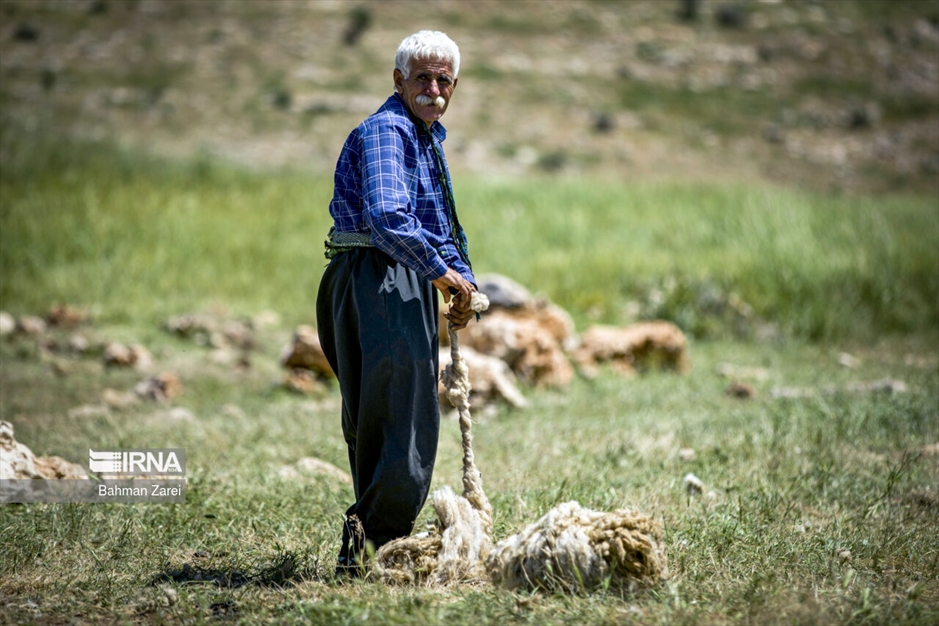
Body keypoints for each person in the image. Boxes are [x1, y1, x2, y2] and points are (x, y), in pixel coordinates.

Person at [316, 30, 477, 578]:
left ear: (454, 86)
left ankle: (367, 550)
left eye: (443, 79)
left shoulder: (425, 138)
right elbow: (388, 219)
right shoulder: (389, 132)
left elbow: (440, 229)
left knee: (379, 420)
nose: (433, 88)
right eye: (423, 78)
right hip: (381, 278)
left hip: (389, 279)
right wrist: (440, 274)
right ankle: (374, 548)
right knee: (400, 423)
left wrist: (465, 288)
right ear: (398, 80)